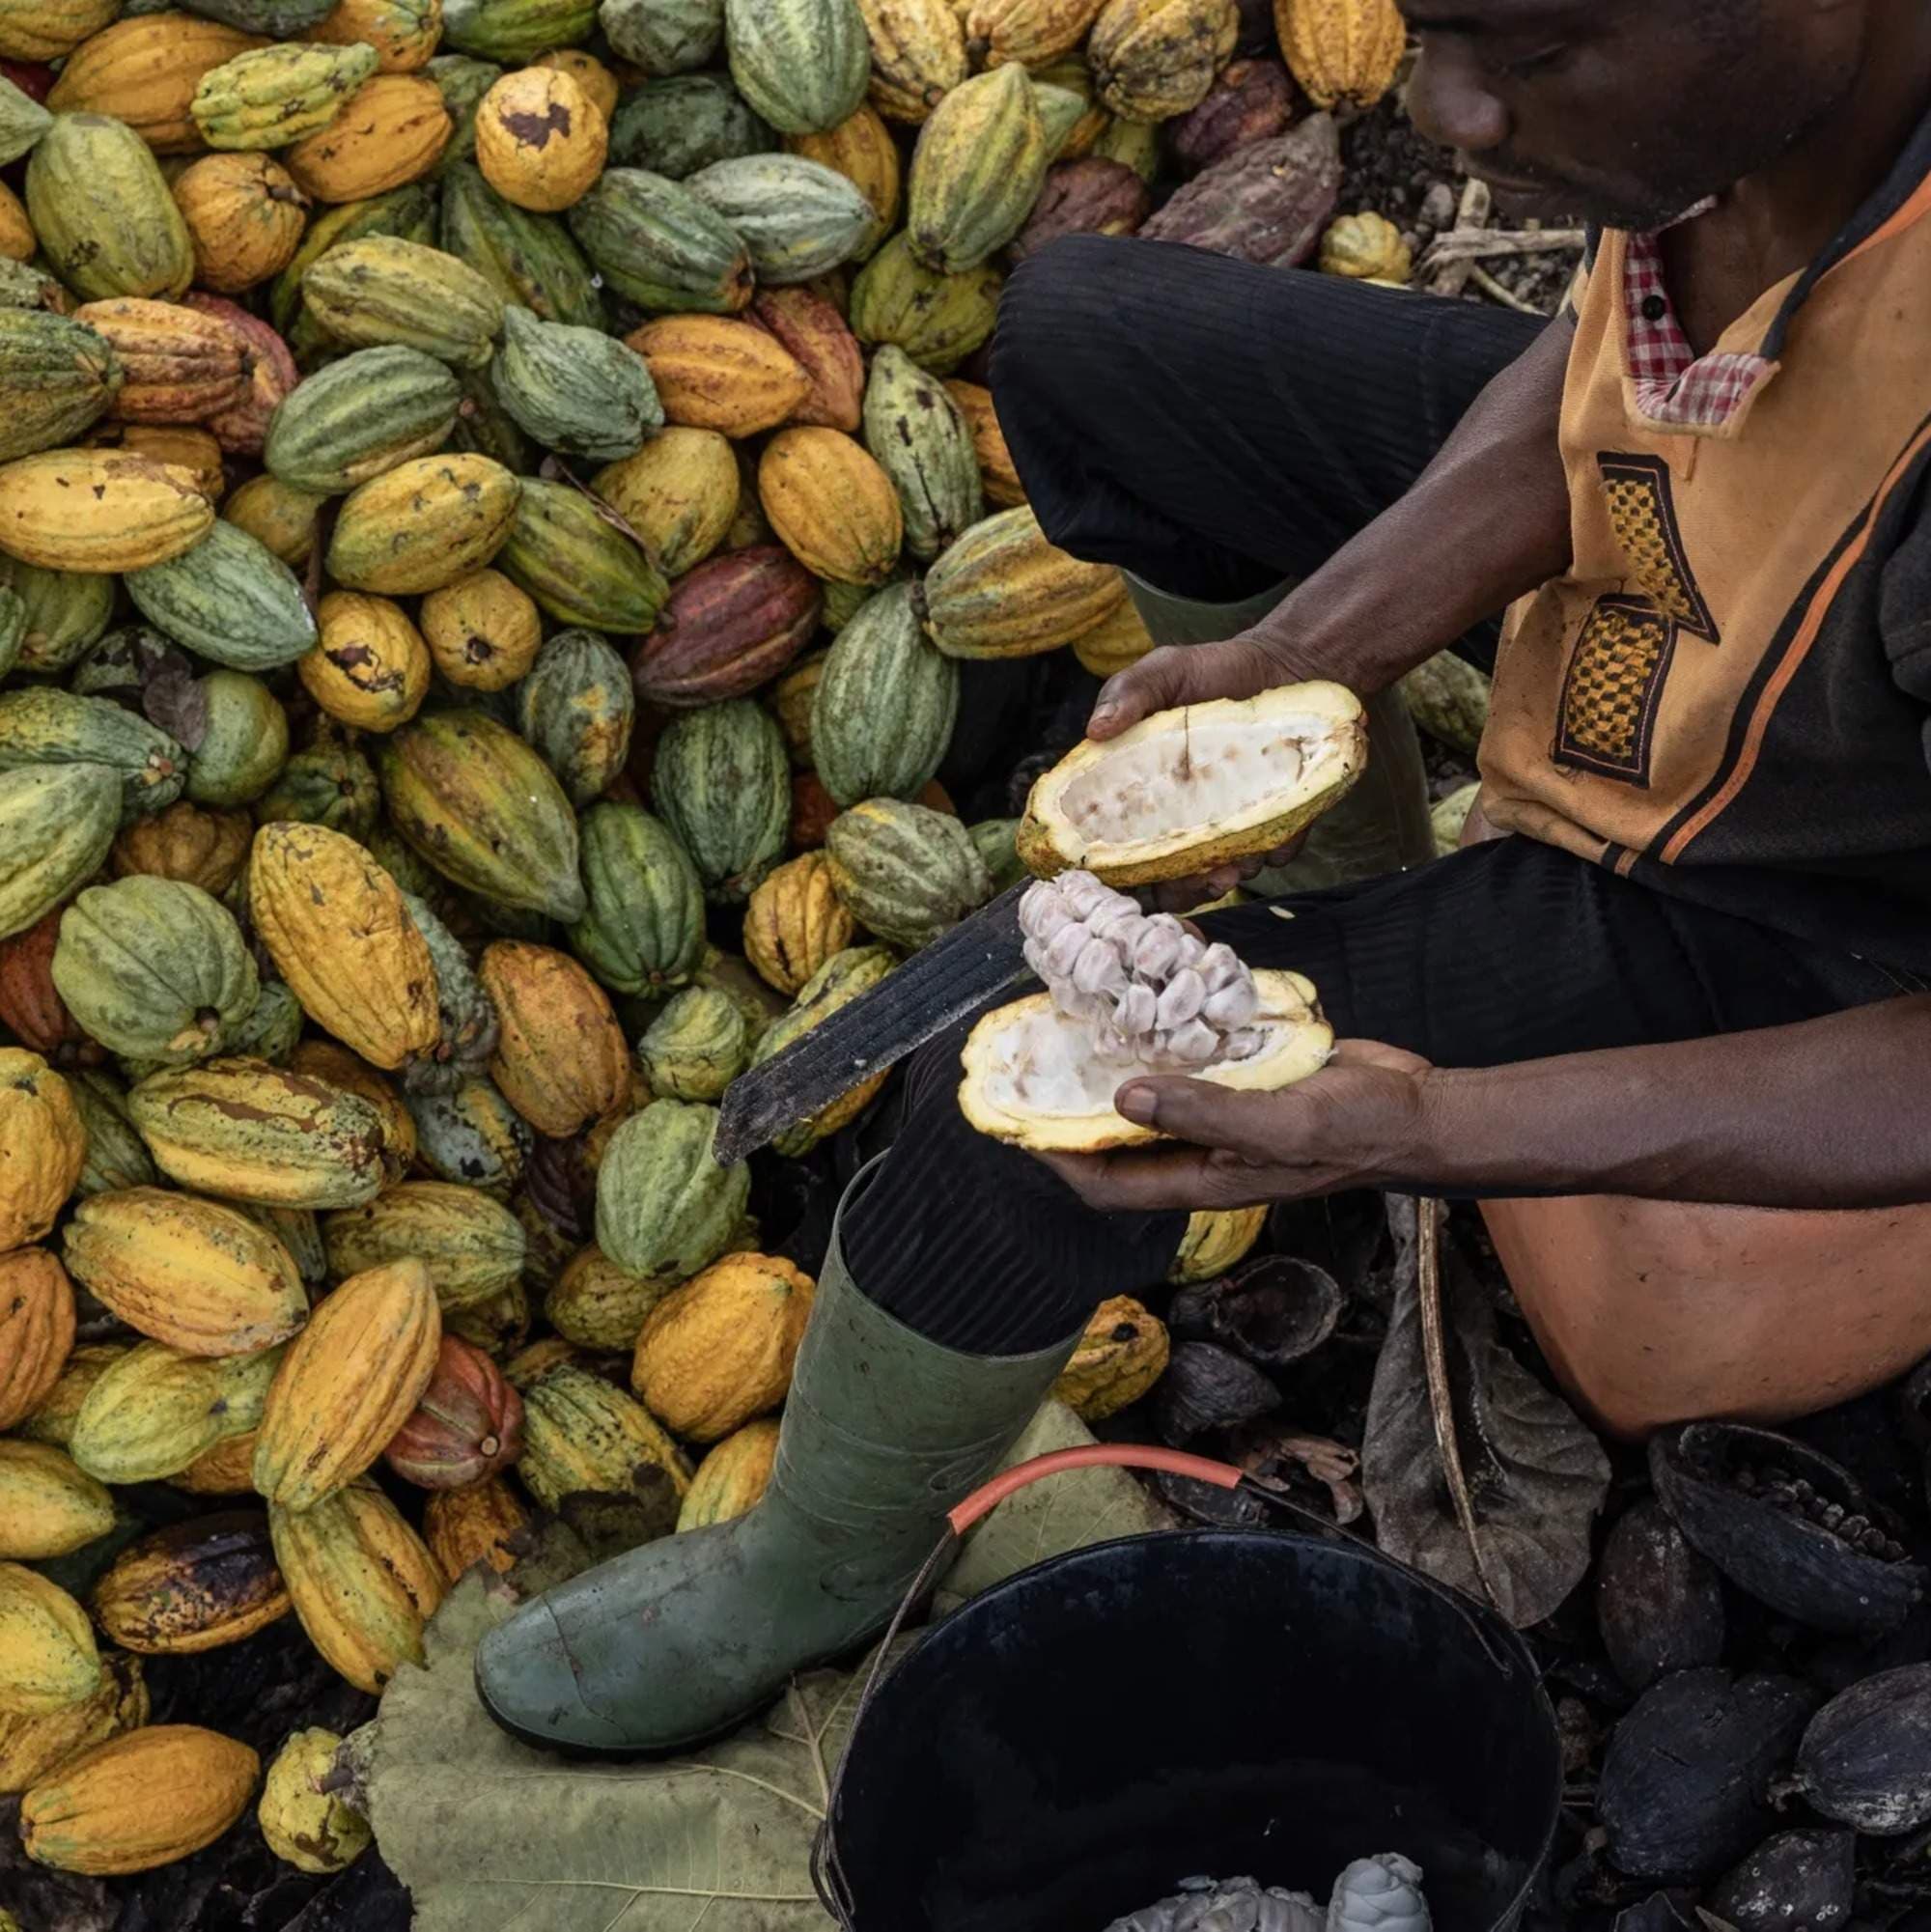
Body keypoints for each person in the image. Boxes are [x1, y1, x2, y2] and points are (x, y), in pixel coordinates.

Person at [476, 0, 1931, 1753]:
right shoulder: (1740, 108)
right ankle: (1336, 857)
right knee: (1093, 346)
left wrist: (1435, 1126)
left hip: (1780, 898)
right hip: (1681, 608)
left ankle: (812, 1562)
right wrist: (1311, 658)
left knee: (1008, 1099)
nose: (1449, 109)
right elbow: (1613, 375)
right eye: (1431, 27)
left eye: (1536, 55)